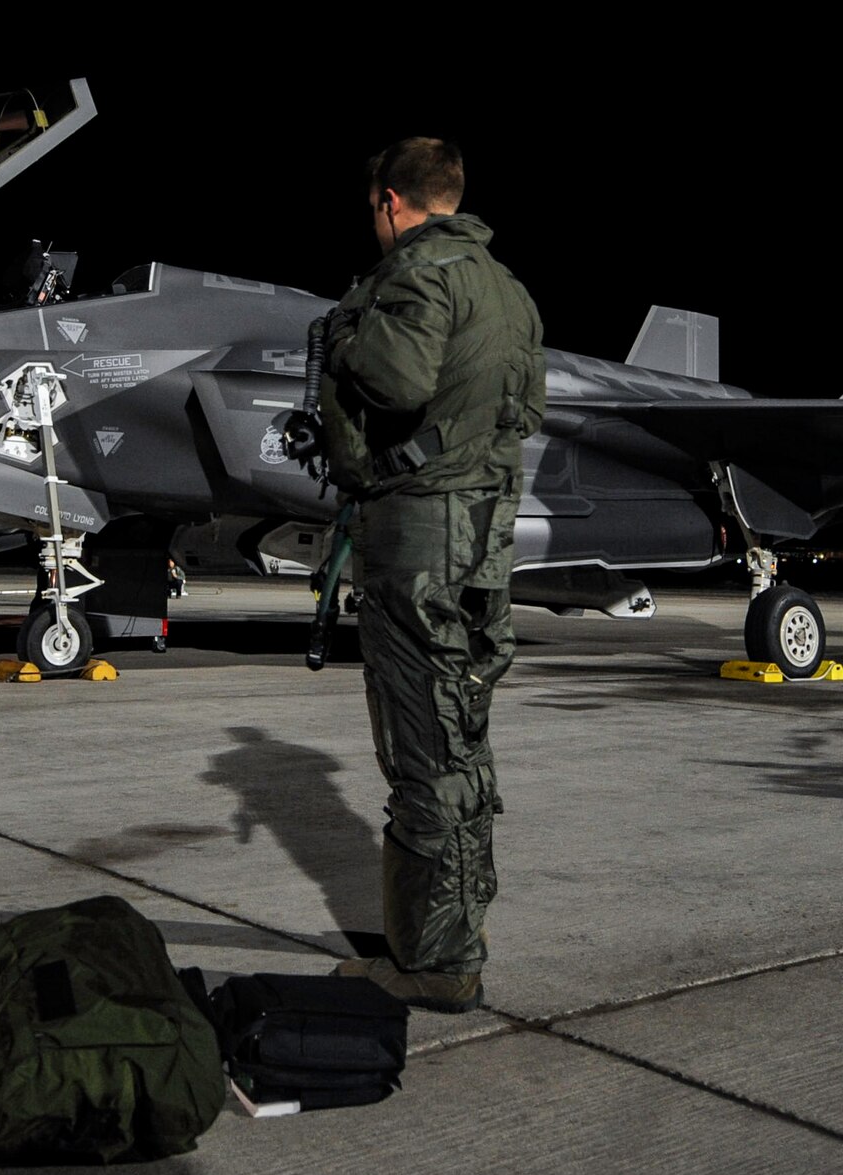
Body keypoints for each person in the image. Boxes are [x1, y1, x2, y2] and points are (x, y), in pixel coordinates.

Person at [310, 138, 545, 1012]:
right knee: (460, 736)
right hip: (480, 535)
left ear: (391, 202)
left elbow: (399, 378)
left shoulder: (417, 275)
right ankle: (452, 931)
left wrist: (344, 340)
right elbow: (525, 406)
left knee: (423, 749)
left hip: (419, 535)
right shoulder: (507, 289)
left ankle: (435, 963)